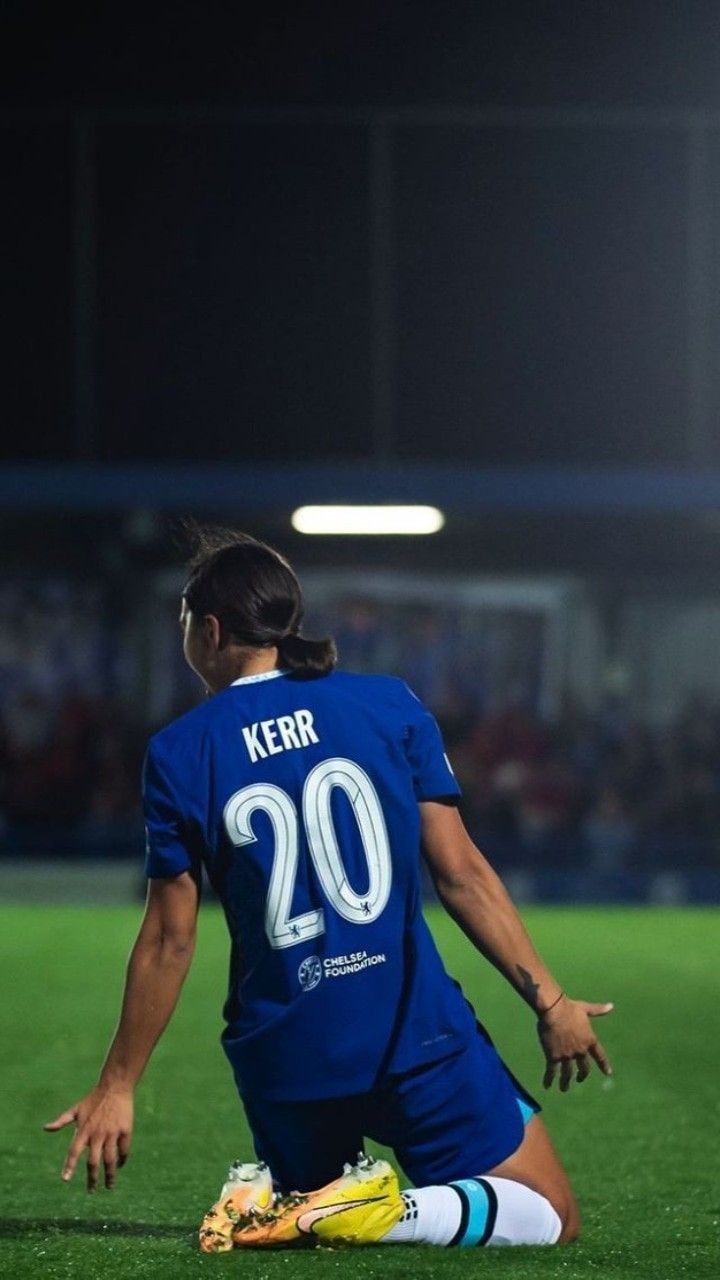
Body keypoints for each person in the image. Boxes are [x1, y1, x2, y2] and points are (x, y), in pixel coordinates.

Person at [45, 529, 613, 1251]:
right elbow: (460, 872)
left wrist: (118, 1085)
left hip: (285, 1060)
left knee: (304, 1229)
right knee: (549, 1214)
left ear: (211, 629)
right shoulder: (386, 705)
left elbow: (169, 939)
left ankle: (290, 1194)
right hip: (409, 1033)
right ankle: (385, 1213)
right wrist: (551, 1001)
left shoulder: (180, 752)